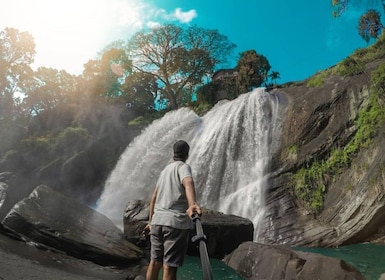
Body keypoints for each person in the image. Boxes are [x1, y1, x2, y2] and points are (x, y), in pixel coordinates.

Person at [145, 140, 202, 280]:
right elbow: (188, 182)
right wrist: (192, 204)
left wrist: (150, 221)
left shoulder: (165, 170)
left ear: (173, 153)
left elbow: (154, 197)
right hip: (174, 223)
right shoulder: (183, 167)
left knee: (154, 262)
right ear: (187, 154)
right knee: (170, 266)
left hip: (157, 222)